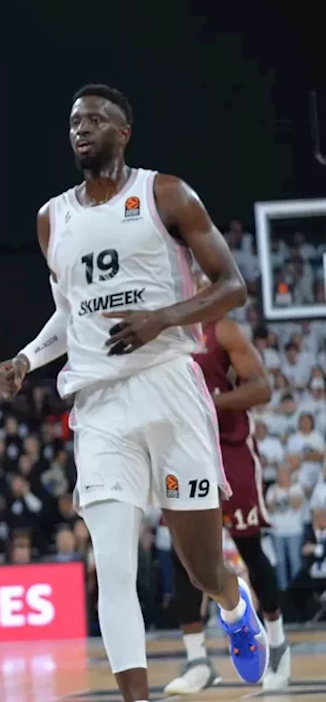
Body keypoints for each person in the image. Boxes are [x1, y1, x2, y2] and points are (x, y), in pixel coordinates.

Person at [0, 84, 267, 702]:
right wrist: (27, 359)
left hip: (169, 387)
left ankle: (231, 602)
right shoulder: (51, 218)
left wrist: (162, 318)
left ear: (123, 132)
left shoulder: (166, 193)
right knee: (114, 569)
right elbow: (71, 315)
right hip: (100, 405)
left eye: (95, 119)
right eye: (73, 122)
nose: (81, 129)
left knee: (200, 566)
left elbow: (232, 286)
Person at [164, 284, 287, 694]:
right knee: (185, 559)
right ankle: (197, 660)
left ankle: (279, 646)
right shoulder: (164, 329)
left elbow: (263, 388)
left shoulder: (224, 331)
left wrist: (207, 404)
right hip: (183, 452)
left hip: (230, 451)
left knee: (249, 548)